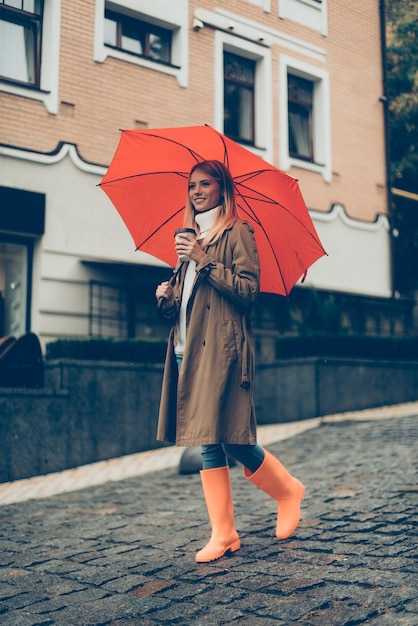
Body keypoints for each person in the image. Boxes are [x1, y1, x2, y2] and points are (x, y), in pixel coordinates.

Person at [155, 159, 305, 563]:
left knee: (224, 436)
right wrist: (167, 300)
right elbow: (188, 303)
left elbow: (247, 292)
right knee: (217, 436)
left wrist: (203, 259)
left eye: (205, 184)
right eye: (192, 185)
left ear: (223, 189)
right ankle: (227, 531)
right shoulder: (190, 238)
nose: (197, 191)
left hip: (222, 347)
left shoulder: (236, 232)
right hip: (187, 348)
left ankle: (284, 492)